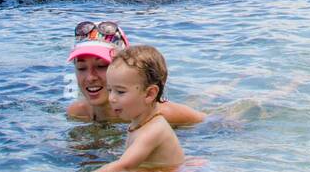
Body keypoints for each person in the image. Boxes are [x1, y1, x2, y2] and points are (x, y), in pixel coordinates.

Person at [71, 46, 184, 172]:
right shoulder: (139, 122)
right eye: (110, 90)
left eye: (120, 92)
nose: (111, 98)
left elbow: (124, 165)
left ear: (149, 94)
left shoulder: (154, 130)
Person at [66, 20, 206, 125]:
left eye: (102, 66)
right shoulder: (77, 113)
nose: (90, 77)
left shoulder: (157, 115)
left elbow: (208, 123)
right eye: (81, 68)